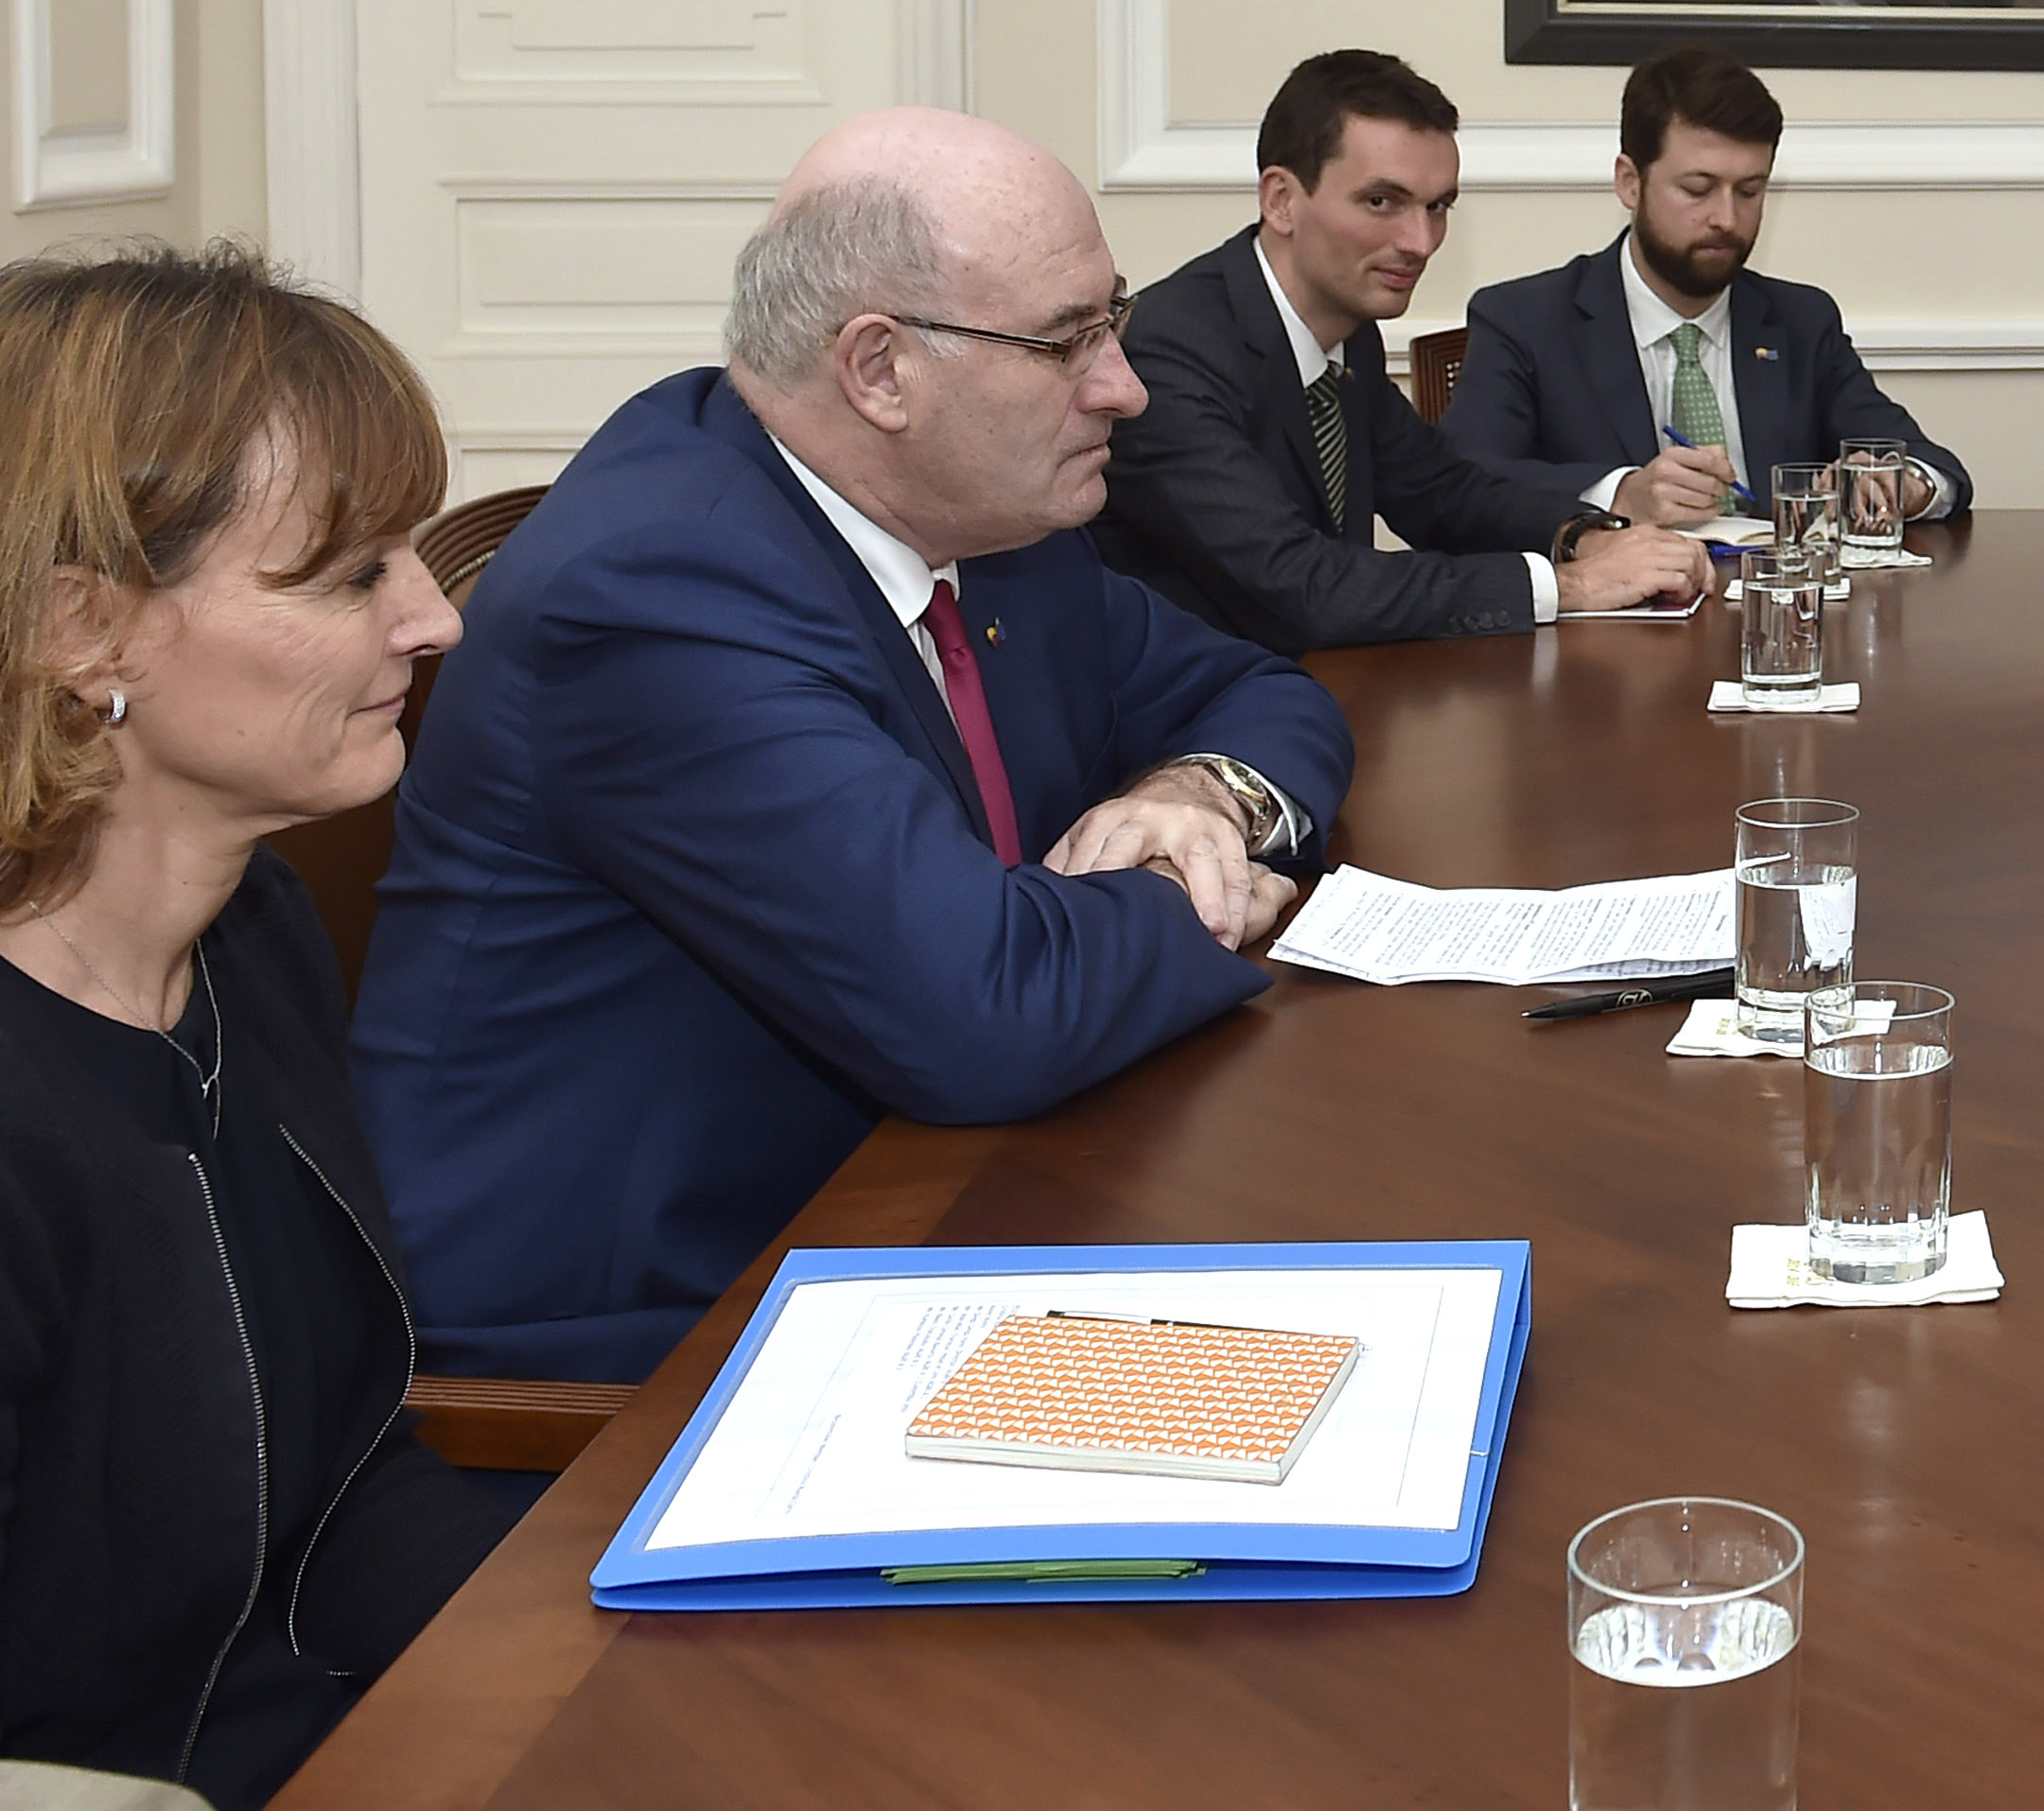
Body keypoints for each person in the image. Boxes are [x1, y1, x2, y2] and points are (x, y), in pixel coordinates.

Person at [352, 111, 1354, 1384]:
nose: (1124, 385)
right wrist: (1185, 886)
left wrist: (1199, 790)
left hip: (917, 1209)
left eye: (1116, 319)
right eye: (1068, 341)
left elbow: (1269, 691)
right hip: (636, 1349)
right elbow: (981, 1010)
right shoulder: (658, 595)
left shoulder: (993, 515)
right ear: (879, 370)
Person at [0, 247, 512, 1808]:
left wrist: (635, 1644)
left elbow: (344, 1497)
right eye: (354, 574)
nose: (435, 622)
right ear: (86, 631)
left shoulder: (249, 936)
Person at [1092, 52, 1709, 652]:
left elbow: (1443, 494)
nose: (1420, 242)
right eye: (1381, 202)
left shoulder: (1343, 322)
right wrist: (1571, 585)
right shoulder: (1169, 352)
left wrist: (1581, 535)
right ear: (1280, 199)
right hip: (1181, 728)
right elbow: (1303, 588)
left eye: (1438, 207)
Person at [1445, 50, 1973, 529]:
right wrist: (1622, 493)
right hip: (1610, 618)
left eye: (1750, 191)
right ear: (1631, 183)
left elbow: (1935, 464)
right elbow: (1466, 482)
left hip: (1780, 611)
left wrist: (1905, 484)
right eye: (1697, 190)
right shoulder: (1525, 319)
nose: (1726, 218)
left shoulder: (1801, 320)